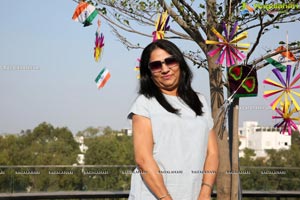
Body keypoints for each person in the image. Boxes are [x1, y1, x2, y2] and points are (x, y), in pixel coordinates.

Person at [127, 39, 219, 200]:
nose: (164, 69)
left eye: (170, 61)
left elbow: (212, 153)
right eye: (156, 65)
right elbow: (143, 159)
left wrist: (206, 191)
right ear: (148, 72)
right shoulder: (144, 104)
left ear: (180, 63)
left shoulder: (200, 101)